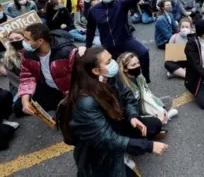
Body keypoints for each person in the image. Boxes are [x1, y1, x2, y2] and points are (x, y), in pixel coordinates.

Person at [63, 47, 168, 176]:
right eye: (108, 62)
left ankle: (126, 147)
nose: (113, 63)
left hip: (117, 124)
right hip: (99, 150)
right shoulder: (85, 101)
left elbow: (127, 96)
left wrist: (133, 116)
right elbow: (106, 139)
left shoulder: (110, 75)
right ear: (96, 71)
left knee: (155, 124)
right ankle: (124, 149)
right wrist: (148, 146)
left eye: (111, 58)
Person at [86, 0, 151, 83]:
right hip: (108, 45)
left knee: (143, 52)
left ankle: (144, 79)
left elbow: (133, 0)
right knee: (114, 71)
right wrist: (87, 47)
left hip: (125, 40)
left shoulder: (120, 4)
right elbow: (90, 29)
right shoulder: (93, 10)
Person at [15, 23, 79, 117]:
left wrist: (68, 98)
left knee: (72, 120)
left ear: (40, 40)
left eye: (27, 39)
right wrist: (25, 100)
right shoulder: (28, 54)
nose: (23, 42)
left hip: (70, 91)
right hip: (47, 88)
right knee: (18, 108)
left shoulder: (66, 52)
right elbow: (27, 76)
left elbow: (81, 79)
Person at [117, 52, 178, 121]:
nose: (137, 66)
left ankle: (161, 116)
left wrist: (157, 104)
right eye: (133, 65)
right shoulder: (124, 85)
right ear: (125, 69)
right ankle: (161, 117)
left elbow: (148, 93)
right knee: (153, 121)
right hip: (136, 110)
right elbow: (129, 107)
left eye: (138, 63)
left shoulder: (139, 77)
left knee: (167, 100)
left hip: (143, 102)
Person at [4, 30, 25, 97]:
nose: (15, 41)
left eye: (18, 38)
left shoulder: (35, 51)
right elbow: (14, 79)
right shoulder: (9, 58)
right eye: (11, 40)